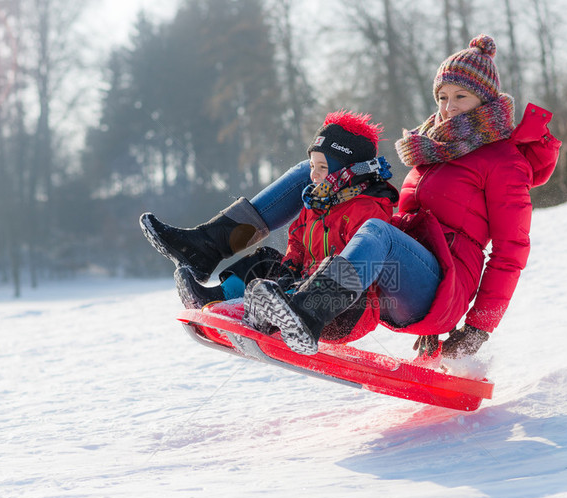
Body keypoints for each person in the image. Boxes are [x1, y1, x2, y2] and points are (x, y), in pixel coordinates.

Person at [242, 34, 561, 356]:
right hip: (400, 282)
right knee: (325, 187)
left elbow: (511, 251)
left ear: (485, 100)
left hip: (444, 291)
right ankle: (260, 294)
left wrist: (478, 329)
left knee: (378, 231)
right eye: (442, 97)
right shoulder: (433, 150)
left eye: (460, 97)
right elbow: (417, 229)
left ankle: (308, 313)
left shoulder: (504, 160)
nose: (448, 108)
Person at [141, 110, 399, 343]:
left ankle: (275, 311)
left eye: (323, 167)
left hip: (347, 308)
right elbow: (297, 240)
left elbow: (361, 260)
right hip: (304, 290)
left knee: (327, 272)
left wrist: (308, 281)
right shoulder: (316, 201)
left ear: (349, 172)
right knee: (266, 261)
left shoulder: (367, 207)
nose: (314, 175)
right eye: (312, 166)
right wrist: (290, 267)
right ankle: (219, 298)